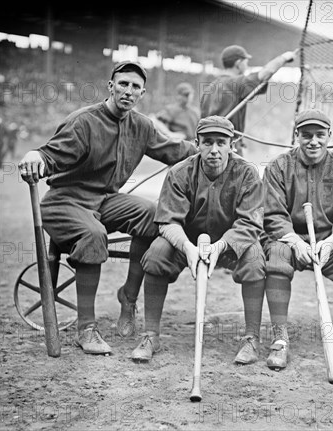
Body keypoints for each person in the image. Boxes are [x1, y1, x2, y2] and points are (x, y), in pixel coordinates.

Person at [17, 60, 198, 355]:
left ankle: (128, 297)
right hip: (65, 199)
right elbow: (50, 154)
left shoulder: (142, 126)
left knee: (155, 216)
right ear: (111, 86)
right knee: (93, 234)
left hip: (105, 200)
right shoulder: (84, 121)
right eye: (123, 84)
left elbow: (172, 150)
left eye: (135, 86)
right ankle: (86, 328)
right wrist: (35, 154)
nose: (128, 91)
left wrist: (204, 147)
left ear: (142, 93)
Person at [133, 116, 266, 362]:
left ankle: (251, 338)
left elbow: (250, 223)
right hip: (188, 243)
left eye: (221, 142)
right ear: (197, 143)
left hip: (229, 244)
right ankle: (150, 334)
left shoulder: (248, 173)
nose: (214, 150)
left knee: (256, 258)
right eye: (207, 142)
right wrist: (187, 247)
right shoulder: (180, 172)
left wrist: (220, 246)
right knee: (156, 254)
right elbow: (168, 221)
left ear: (232, 144)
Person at [262, 109, 333, 370]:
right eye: (307, 135)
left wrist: (332, 242)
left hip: (328, 240)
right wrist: (296, 242)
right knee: (276, 257)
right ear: (296, 135)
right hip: (290, 239)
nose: (314, 141)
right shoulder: (278, 167)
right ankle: (280, 340)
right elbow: (273, 216)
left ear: (329, 136)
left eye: (320, 135)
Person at [200, 45, 295, 156]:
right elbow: (266, 72)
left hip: (206, 150)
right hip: (226, 149)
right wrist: (283, 58)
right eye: (245, 62)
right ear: (238, 63)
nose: (247, 65)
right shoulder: (235, 83)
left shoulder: (208, 89)